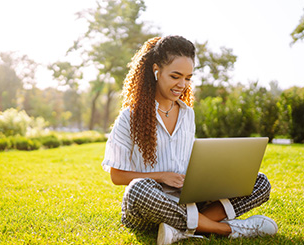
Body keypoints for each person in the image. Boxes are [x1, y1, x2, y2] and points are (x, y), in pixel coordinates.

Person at [101, 35, 278, 244]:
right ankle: (225, 229)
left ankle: (179, 230)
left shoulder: (187, 114)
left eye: (188, 78)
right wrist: (162, 176)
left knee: (259, 182)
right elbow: (117, 176)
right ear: (156, 71)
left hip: (188, 201)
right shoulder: (130, 117)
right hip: (148, 208)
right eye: (175, 76)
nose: (182, 84)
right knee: (139, 189)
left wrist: (209, 178)